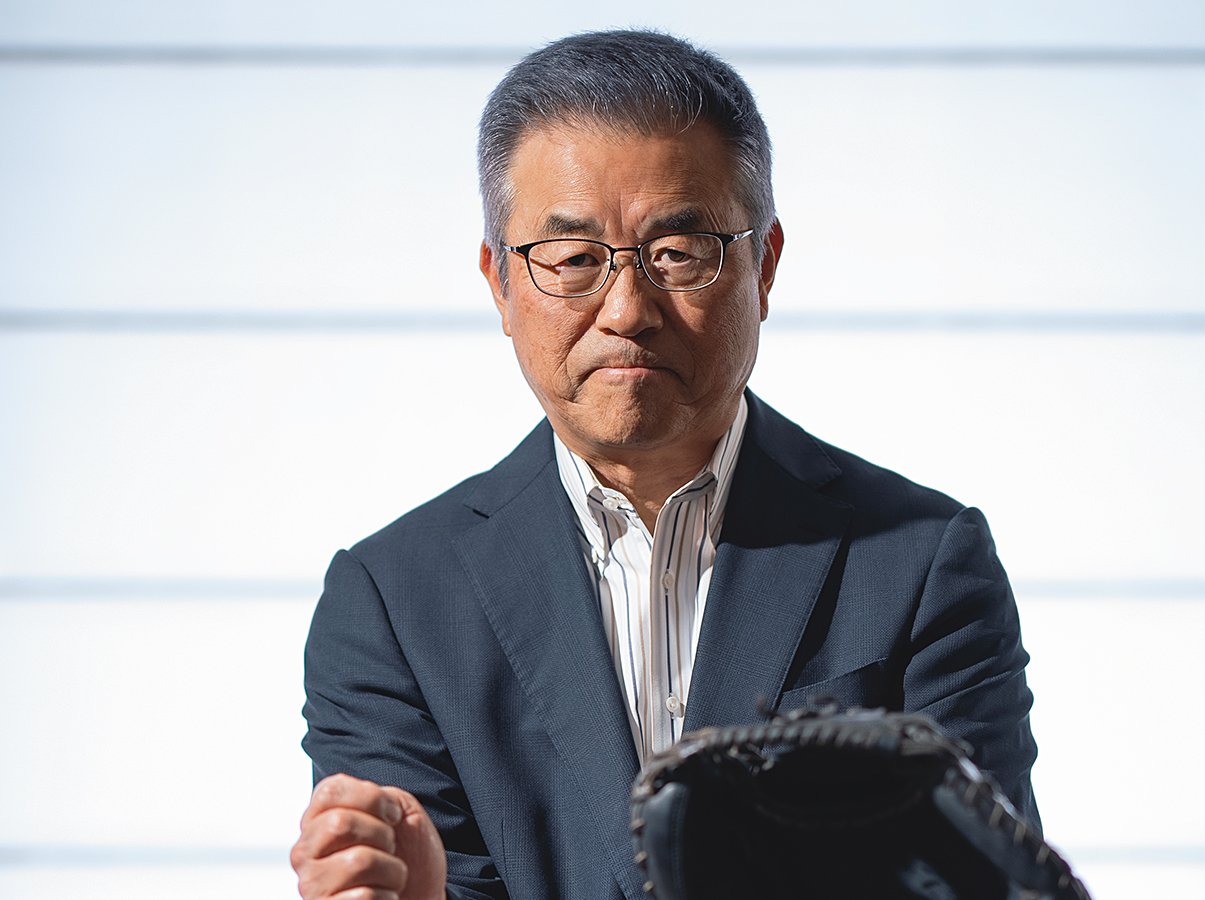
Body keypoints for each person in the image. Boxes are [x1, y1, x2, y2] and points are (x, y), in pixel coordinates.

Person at [290, 29, 1039, 900]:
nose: (626, 309)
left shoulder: (920, 562)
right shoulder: (394, 603)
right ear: (499, 282)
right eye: (573, 259)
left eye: (677, 253)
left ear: (763, 266)